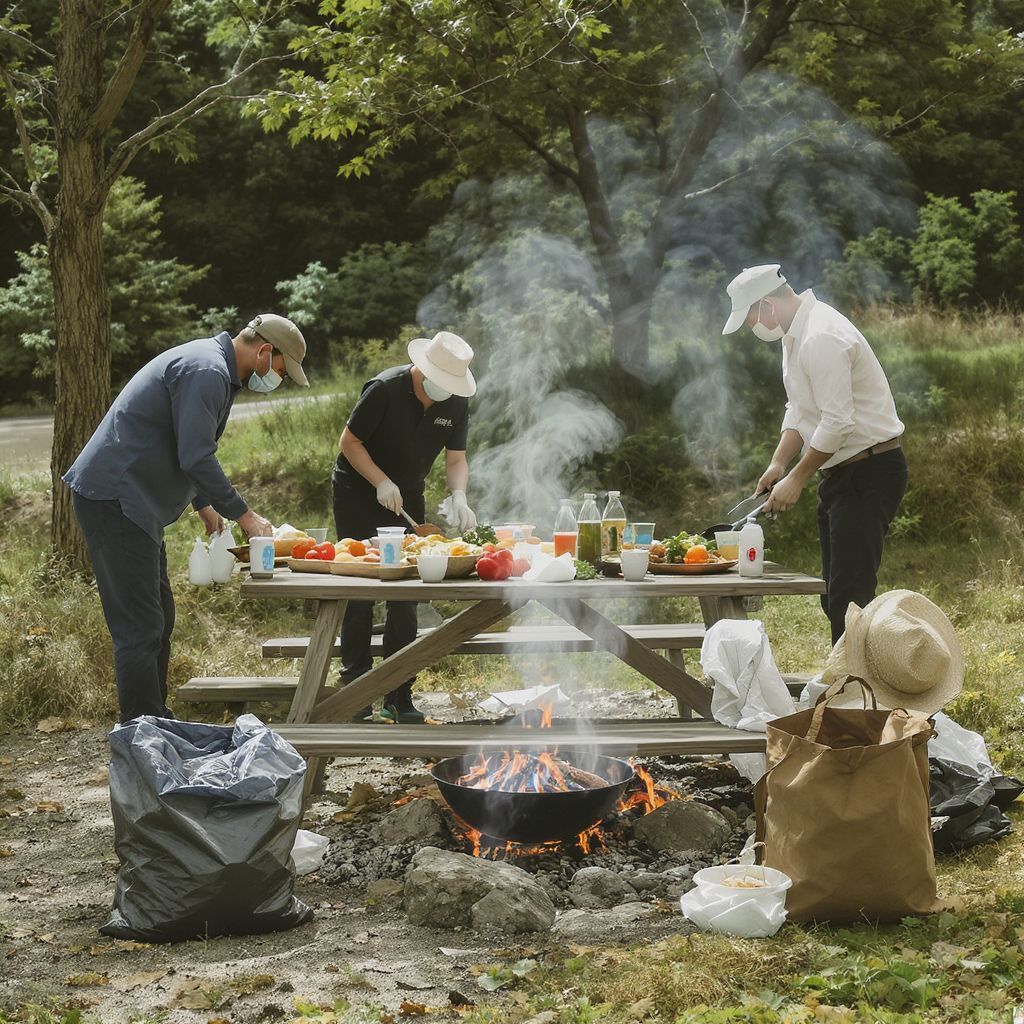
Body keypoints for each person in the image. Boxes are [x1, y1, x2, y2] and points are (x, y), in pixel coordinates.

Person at [63, 314, 309, 722]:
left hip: (134, 501)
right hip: (116, 496)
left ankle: (155, 720)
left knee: (159, 617)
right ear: (265, 350)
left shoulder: (216, 369)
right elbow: (196, 455)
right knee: (140, 628)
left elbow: (187, 443)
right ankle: (141, 738)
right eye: (281, 370)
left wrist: (204, 504)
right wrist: (244, 516)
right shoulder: (207, 370)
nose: (277, 378)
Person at [721, 265, 907, 645]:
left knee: (849, 596)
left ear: (768, 305)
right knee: (834, 594)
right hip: (842, 473)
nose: (751, 327)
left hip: (869, 470)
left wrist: (798, 478)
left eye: (751, 317)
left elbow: (838, 423)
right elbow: (801, 409)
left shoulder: (821, 336)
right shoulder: (794, 336)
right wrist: (779, 463)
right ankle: (849, 681)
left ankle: (856, 693)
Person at [333, 330, 478, 724]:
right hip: (358, 490)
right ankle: (357, 692)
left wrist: (459, 495)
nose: (444, 391)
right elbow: (349, 442)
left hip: (409, 493)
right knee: (361, 585)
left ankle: (398, 693)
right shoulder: (385, 388)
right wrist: (380, 481)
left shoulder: (458, 400)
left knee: (407, 591)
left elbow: (455, 459)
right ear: (424, 369)